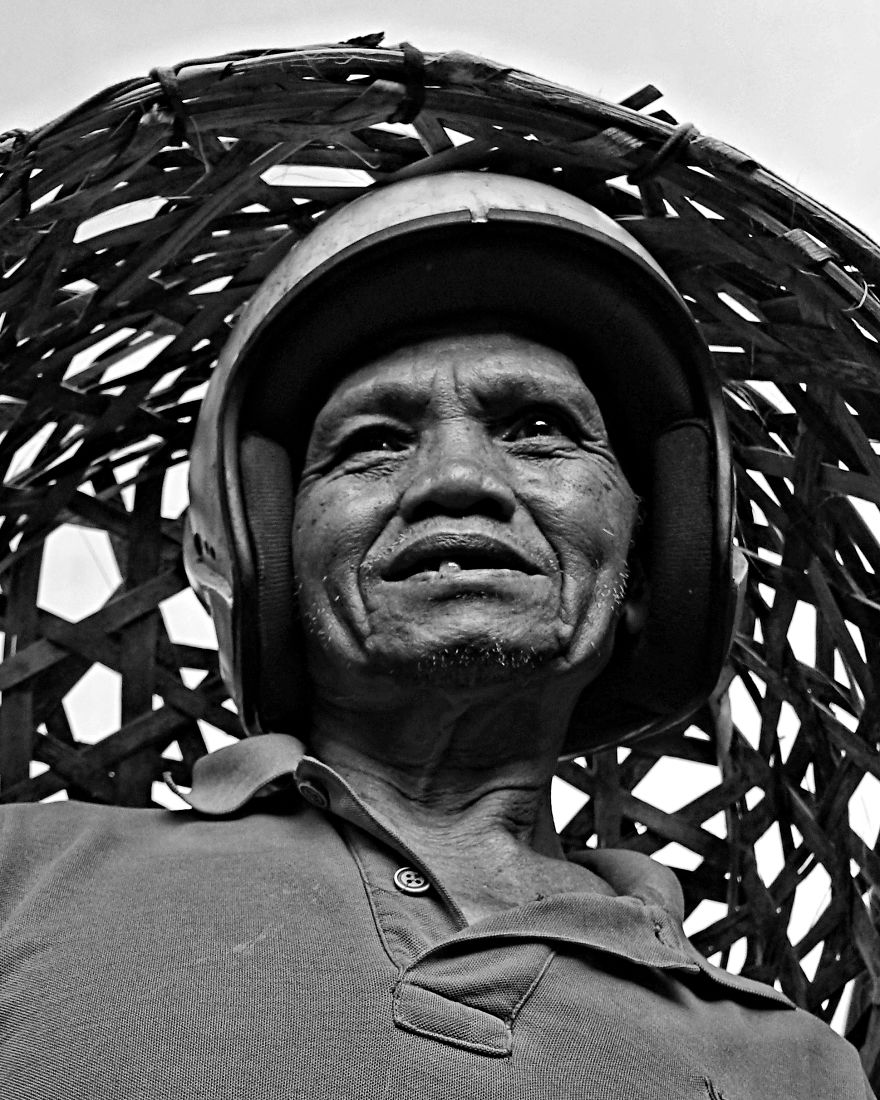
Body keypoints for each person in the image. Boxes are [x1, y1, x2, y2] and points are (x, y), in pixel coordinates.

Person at [0, 172, 872, 1099]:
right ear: (269, 564)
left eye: (538, 429)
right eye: (373, 441)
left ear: (656, 566)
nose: (457, 477)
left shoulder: (796, 1067)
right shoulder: (23, 875)